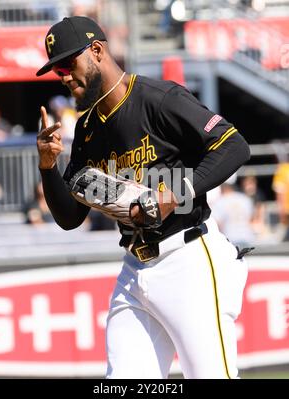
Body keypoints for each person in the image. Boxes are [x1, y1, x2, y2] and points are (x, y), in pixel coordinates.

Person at [36, 16, 251, 379]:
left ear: (98, 50)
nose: (64, 76)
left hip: (189, 260)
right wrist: (47, 166)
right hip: (135, 270)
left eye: (68, 64)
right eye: (57, 70)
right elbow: (71, 217)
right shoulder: (88, 131)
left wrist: (176, 194)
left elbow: (233, 145)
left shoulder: (159, 99)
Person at [211, 182, 255, 249]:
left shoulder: (220, 201)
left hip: (230, 239)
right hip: (247, 238)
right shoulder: (245, 199)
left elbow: (218, 225)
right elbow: (251, 220)